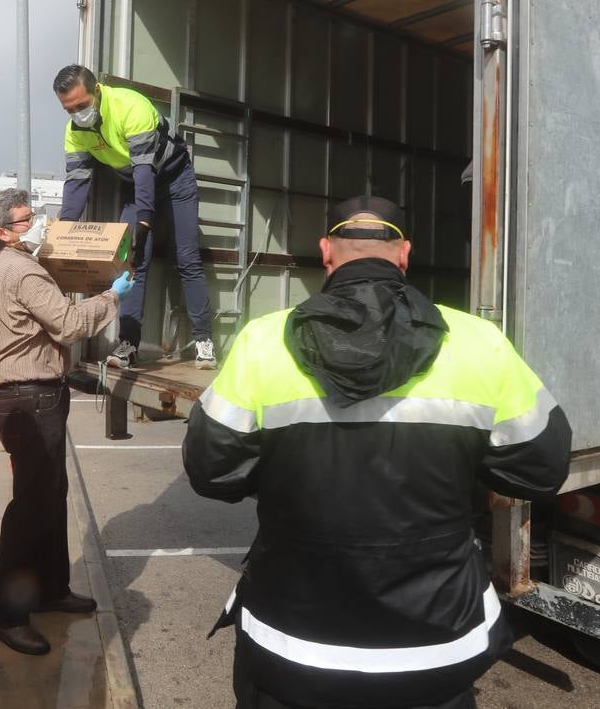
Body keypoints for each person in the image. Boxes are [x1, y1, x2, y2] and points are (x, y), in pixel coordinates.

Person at [182, 196, 572, 709]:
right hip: (435, 651)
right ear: (404, 254)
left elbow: (213, 472)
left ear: (326, 252)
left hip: (292, 647)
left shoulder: (262, 342)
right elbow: (541, 470)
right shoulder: (480, 343)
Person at [0, 188, 134, 655]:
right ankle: (6, 615)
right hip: (30, 397)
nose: (40, 222)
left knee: (51, 496)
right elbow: (68, 325)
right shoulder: (21, 269)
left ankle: (49, 588)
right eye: (28, 219)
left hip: (29, 396)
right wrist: (111, 296)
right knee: (30, 506)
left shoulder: (3, 268)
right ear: (2, 232)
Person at [53, 64, 215, 370]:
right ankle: (128, 345)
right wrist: (61, 233)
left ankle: (205, 340)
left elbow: (144, 171)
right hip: (137, 185)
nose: (77, 114)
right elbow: (76, 184)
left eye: (82, 105)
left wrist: (143, 222)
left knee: (187, 258)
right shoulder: (75, 132)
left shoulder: (131, 106)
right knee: (131, 265)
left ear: (97, 91)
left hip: (175, 180)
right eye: (69, 109)